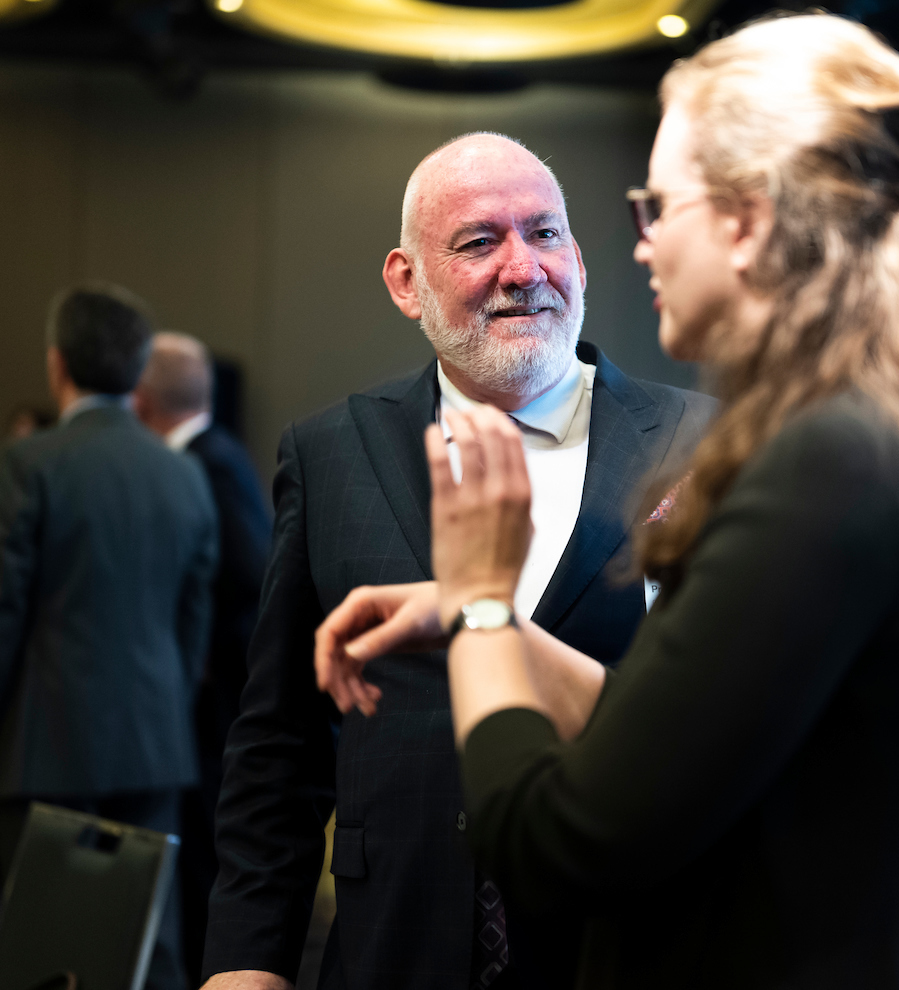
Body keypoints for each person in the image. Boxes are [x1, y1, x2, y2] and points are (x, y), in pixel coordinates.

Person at [314, 15, 899, 990]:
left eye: (658, 207)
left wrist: (481, 607)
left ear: (747, 223)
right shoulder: (880, 433)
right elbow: (685, 730)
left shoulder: (827, 464)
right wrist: (473, 621)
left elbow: (551, 843)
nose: (641, 247)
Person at [200, 133, 715, 990]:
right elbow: (278, 744)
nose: (523, 268)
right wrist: (246, 965)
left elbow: (723, 728)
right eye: (480, 242)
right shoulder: (332, 454)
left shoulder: (706, 444)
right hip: (390, 950)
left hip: (622, 948)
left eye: (545, 234)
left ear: (580, 260)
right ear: (407, 282)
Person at [0, 283, 218, 990]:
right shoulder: (183, 475)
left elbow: (5, 612)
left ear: (57, 364)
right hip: (156, 741)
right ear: (136, 370)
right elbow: (194, 622)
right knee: (148, 944)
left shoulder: (28, 464)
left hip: (45, 745)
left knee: (41, 950)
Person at [135, 331, 273, 987]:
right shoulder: (214, 453)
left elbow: (248, 571)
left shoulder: (207, 462)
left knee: (207, 853)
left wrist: (202, 653)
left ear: (141, 398)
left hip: (222, 698)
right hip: (221, 693)